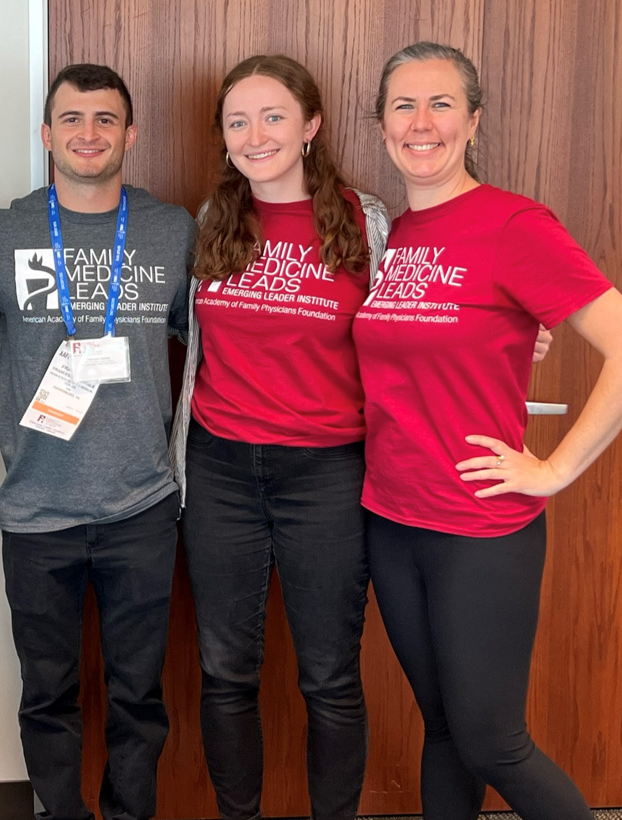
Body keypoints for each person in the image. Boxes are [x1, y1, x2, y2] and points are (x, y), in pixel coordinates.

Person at [355, 41, 622, 819]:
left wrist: (555, 468)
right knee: (446, 728)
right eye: (403, 105)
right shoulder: (395, 238)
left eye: (441, 104)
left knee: (492, 740)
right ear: (380, 124)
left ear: (473, 119)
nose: (421, 123)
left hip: (478, 527)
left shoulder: (511, 224)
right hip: (391, 518)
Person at [0, 64, 194, 820]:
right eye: (72, 119)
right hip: (36, 506)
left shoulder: (172, 230)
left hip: (142, 505)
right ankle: (60, 812)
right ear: (47, 133)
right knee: (46, 693)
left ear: (131, 132)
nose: (89, 134)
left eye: (106, 119)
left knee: (138, 695)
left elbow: (221, 335)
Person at [168, 55, 388, 820]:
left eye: (272, 117)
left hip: (328, 472)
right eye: (238, 121)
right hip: (221, 469)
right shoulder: (211, 221)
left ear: (311, 126)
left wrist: (514, 338)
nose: (255, 135)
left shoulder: (368, 221)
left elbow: (427, 322)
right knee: (226, 671)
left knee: (329, 675)